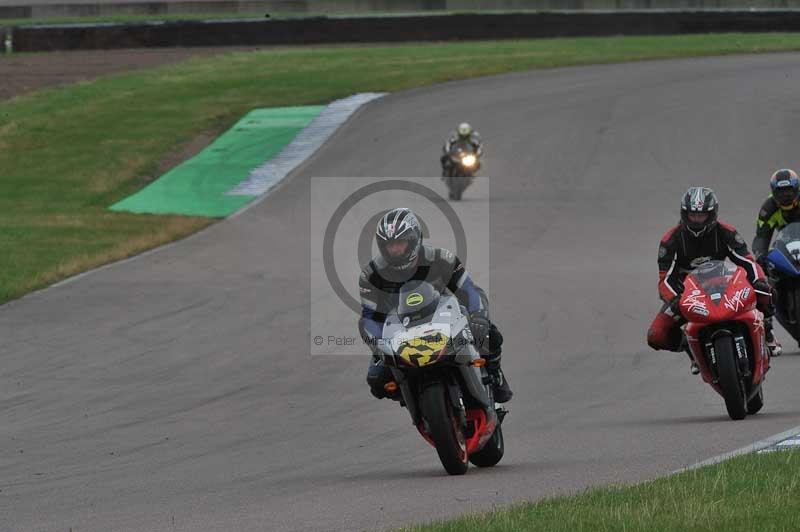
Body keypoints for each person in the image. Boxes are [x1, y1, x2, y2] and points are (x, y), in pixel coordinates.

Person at [358, 207, 512, 403]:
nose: (395, 250)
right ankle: (413, 398)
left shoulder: (441, 259)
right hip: (400, 334)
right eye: (390, 246)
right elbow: (368, 317)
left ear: (414, 240)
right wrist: (378, 343)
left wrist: (478, 315)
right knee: (377, 379)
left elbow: (470, 292)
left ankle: (495, 373)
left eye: (400, 243)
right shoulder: (371, 275)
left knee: (489, 335)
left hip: (445, 322)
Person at [647, 187, 780, 374]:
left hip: (724, 285)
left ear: (712, 214)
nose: (697, 220)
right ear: (684, 214)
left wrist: (759, 280)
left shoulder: (726, 232)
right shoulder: (670, 240)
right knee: (656, 335)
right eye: (692, 215)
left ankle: (767, 330)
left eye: (701, 215)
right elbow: (665, 280)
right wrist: (674, 299)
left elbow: (747, 261)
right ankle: (691, 349)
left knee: (766, 291)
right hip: (687, 296)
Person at [752, 169, 800, 262]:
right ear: (774, 192)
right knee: (767, 265)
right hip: (785, 243)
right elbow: (762, 236)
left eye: (788, 191)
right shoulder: (768, 208)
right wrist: (760, 256)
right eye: (781, 192)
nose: (785, 196)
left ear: (796, 189)